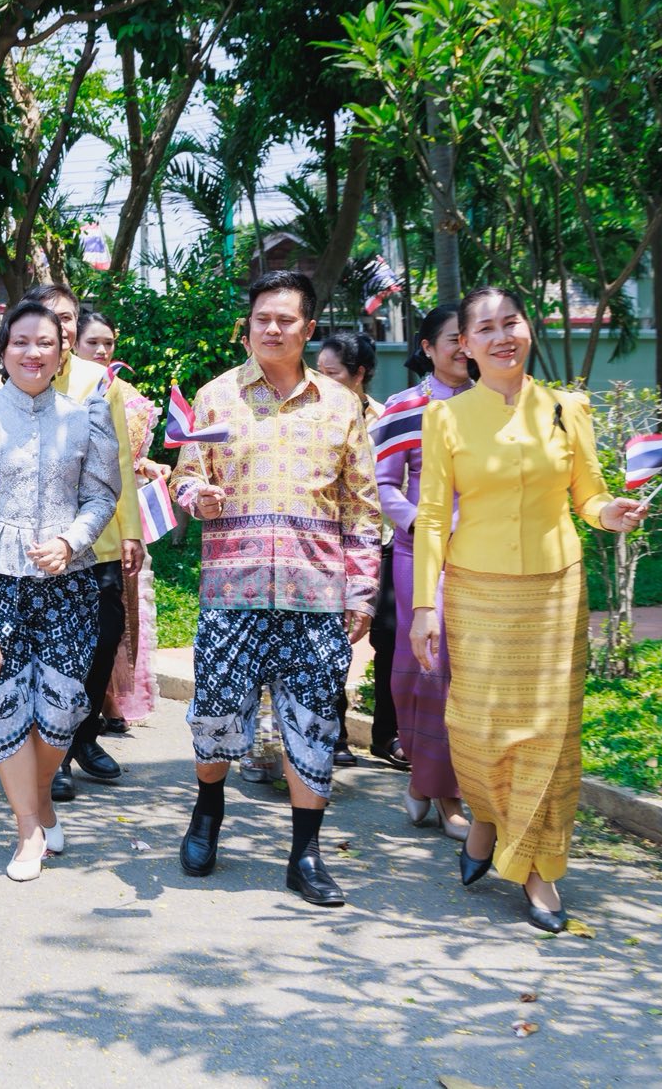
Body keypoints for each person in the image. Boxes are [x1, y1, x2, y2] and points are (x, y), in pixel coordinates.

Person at [412, 287, 646, 933]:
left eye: (510, 322)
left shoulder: (568, 410)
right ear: (465, 346)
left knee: (549, 731)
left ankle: (538, 866)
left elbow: (589, 494)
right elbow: (431, 518)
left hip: (555, 590)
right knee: (480, 729)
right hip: (476, 593)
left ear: (528, 329)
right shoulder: (448, 419)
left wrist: (611, 514)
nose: (501, 336)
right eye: (483, 329)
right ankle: (486, 820)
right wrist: (422, 606)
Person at [172, 270, 380, 908]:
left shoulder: (344, 408)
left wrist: (361, 592)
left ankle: (305, 854)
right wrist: (194, 495)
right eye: (261, 317)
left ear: (308, 329)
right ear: (249, 324)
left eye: (285, 320)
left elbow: (363, 508)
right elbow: (183, 479)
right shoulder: (214, 398)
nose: (271, 329)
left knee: (315, 725)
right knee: (215, 715)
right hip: (230, 591)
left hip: (316, 594)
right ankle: (208, 812)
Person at [0, 300, 120, 882]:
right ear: (2, 350)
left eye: (44, 342)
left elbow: (102, 494)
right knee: (5, 703)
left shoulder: (84, 412)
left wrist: (71, 540)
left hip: (72, 580)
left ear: (62, 350)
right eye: (20, 342)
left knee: (61, 711)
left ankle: (38, 799)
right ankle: (27, 829)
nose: (32, 353)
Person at [27, 283, 144, 799]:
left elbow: (118, 461)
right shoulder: (10, 372)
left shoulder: (98, 379)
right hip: (29, 540)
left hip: (93, 535)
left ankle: (80, 734)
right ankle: (45, 748)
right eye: (53, 316)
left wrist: (131, 533)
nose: (65, 327)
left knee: (103, 635)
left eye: (70, 317)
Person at [377, 306, 472, 836]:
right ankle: (444, 791)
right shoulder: (404, 407)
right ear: (428, 347)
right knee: (428, 670)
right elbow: (384, 483)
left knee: (471, 672)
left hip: (487, 556)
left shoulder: (497, 405)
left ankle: (428, 781)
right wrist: (423, 525)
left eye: (469, 338)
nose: (463, 348)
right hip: (422, 551)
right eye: (452, 339)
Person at [73, 308, 163, 732]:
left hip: (112, 530)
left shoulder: (121, 394)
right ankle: (67, 740)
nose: (102, 350)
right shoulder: (42, 384)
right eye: (93, 342)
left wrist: (131, 531)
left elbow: (125, 461)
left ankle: (93, 724)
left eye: (107, 343)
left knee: (111, 632)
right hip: (60, 533)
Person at [313, 330, 391, 771]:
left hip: (370, 544)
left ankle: (382, 734)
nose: (322, 381)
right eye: (318, 371)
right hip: (322, 545)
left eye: (332, 374)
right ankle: (334, 733)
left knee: (368, 637)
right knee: (329, 643)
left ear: (359, 375)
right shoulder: (315, 414)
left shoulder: (383, 419)